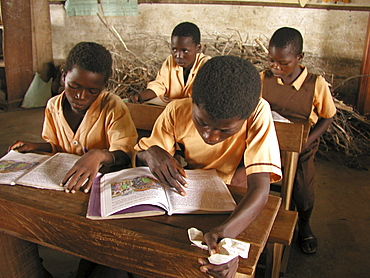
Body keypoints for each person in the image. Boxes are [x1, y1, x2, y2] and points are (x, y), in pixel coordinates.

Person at [134, 55, 282, 278]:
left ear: (245, 117)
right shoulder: (176, 111)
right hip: (190, 196)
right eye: (202, 122)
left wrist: (226, 234)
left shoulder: (258, 113)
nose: (209, 135)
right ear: (192, 98)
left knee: (218, 266)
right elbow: (140, 155)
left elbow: (260, 190)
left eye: (225, 130)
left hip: (236, 198)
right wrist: (151, 153)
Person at [9, 42, 138, 194]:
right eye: (74, 86)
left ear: (104, 86)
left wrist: (99, 155)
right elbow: (57, 147)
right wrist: (35, 146)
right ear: (64, 76)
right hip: (64, 183)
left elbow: (125, 156)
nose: (80, 96)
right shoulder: (53, 106)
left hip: (98, 185)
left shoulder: (113, 107)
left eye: (92, 91)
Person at [261, 27, 337, 254]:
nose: (276, 67)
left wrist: (305, 142)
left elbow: (327, 116)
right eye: (271, 61)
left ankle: (304, 225)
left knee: (302, 191)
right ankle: (259, 220)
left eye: (283, 62)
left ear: (299, 58)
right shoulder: (264, 79)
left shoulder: (315, 84)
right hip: (268, 144)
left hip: (302, 147)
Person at [129, 21, 211, 105]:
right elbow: (160, 85)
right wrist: (140, 96)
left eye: (185, 51)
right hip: (172, 113)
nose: (178, 56)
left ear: (198, 48)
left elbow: (203, 99)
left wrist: (176, 103)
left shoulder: (208, 66)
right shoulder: (170, 61)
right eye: (174, 50)